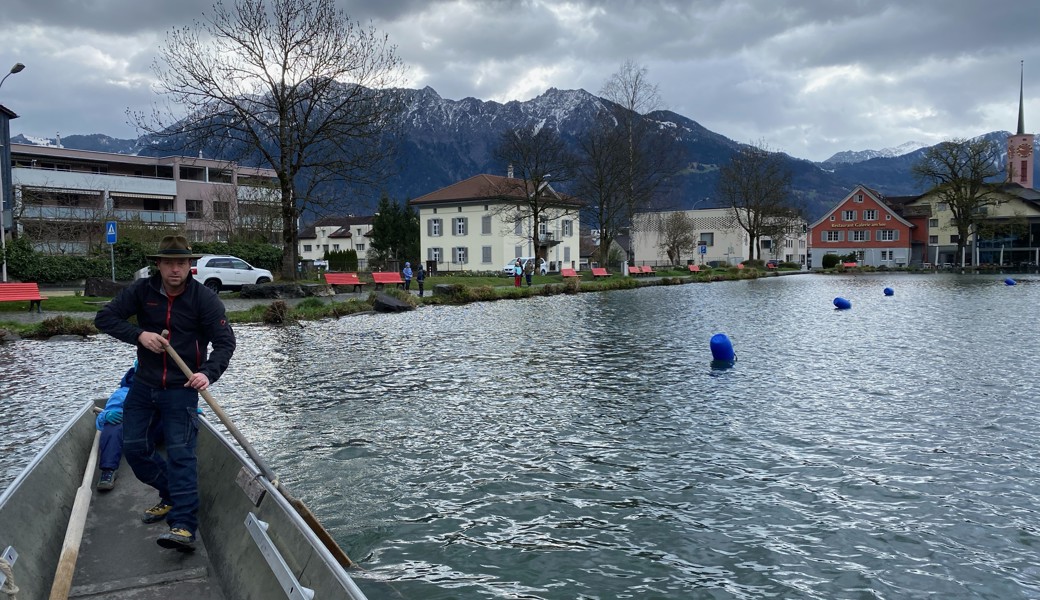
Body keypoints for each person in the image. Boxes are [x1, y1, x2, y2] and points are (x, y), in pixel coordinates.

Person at [94, 235, 236, 553]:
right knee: (134, 450)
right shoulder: (142, 291)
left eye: (182, 263)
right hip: (143, 386)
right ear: (157, 264)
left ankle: (184, 526)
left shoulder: (205, 300)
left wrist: (206, 374)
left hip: (181, 389)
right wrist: (139, 335)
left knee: (181, 455)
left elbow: (226, 343)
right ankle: (175, 495)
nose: (176, 269)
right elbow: (104, 318)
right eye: (169, 263)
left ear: (191, 265)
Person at [95, 363, 136, 491]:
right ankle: (108, 470)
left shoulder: (164, 391)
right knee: (113, 425)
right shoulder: (123, 393)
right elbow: (102, 420)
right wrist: (106, 415)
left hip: (154, 431)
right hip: (134, 433)